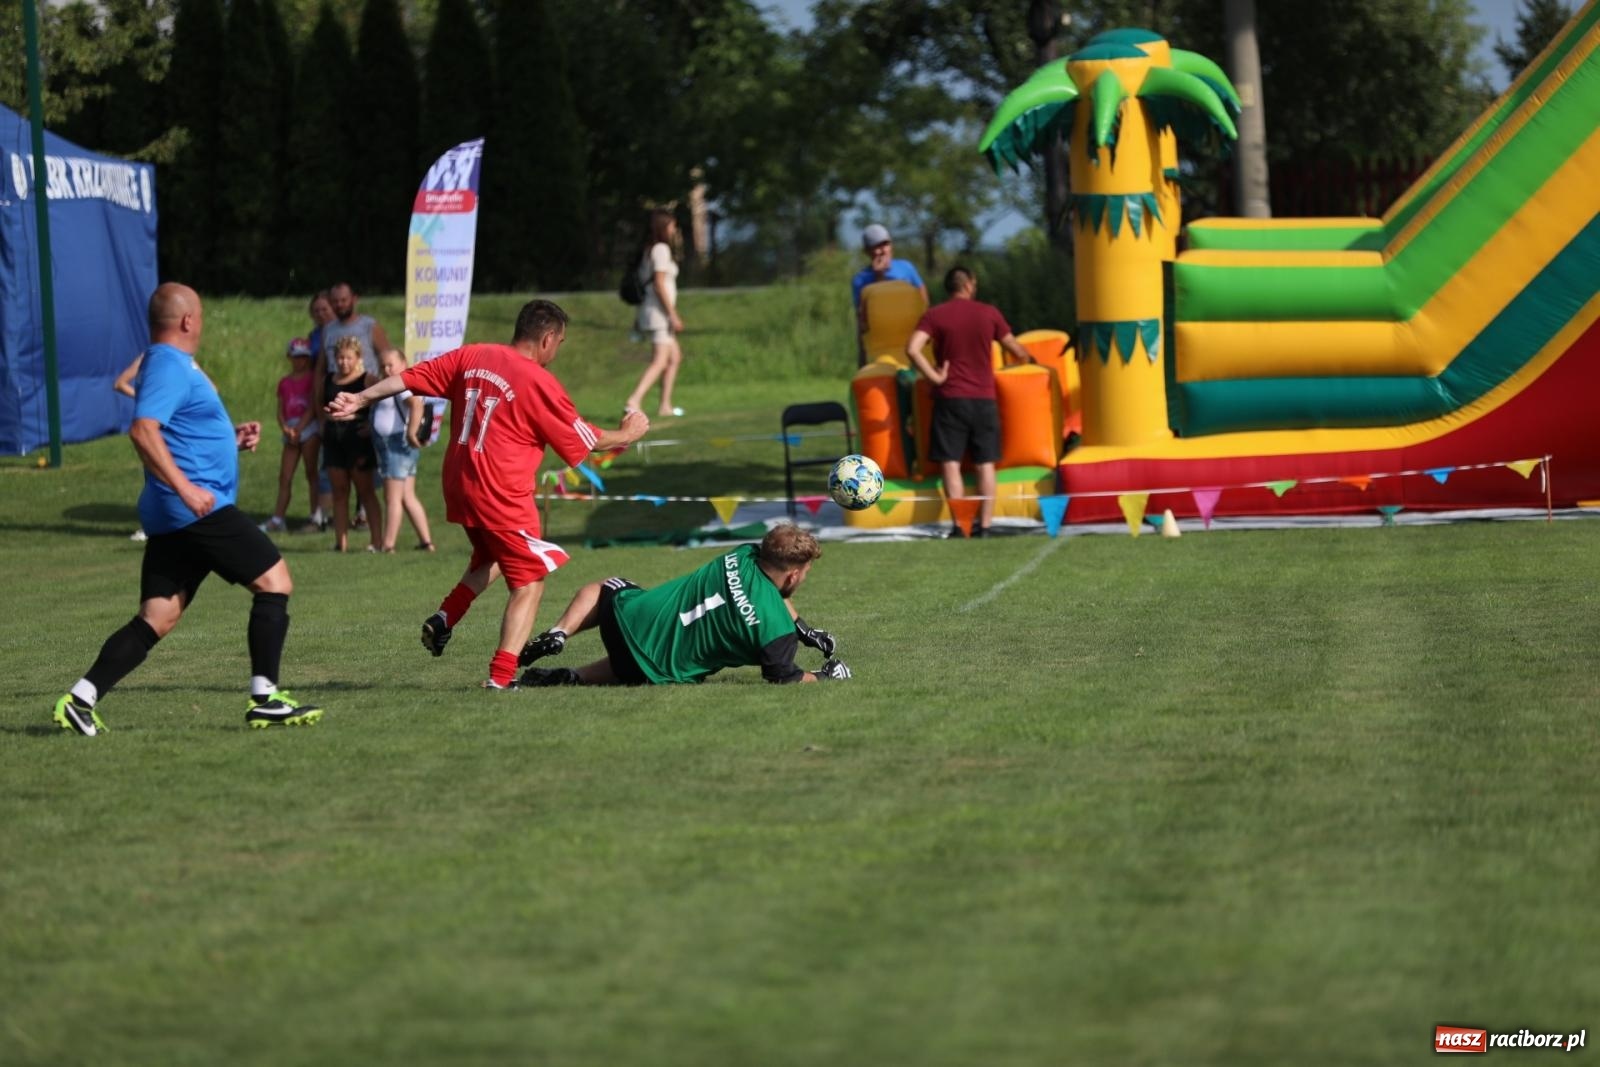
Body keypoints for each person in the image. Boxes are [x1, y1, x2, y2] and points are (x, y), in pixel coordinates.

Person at [327, 298, 650, 689]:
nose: (557, 351)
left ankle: (445, 617)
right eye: (560, 342)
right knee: (529, 582)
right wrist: (629, 433)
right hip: (500, 492)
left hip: (460, 485)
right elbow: (588, 439)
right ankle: (500, 678)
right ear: (547, 338)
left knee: (493, 557)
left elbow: (410, 377)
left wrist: (360, 398)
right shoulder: (539, 382)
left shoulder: (472, 355)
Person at [51, 282, 323, 736]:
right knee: (275, 581)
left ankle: (80, 699)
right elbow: (143, 430)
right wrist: (187, 489)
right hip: (196, 509)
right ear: (187, 320)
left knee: (157, 617)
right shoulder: (169, 364)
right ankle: (266, 699)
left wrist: (228, 440)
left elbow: (175, 430)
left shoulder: (166, 363)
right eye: (201, 316)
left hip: (177, 513)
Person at [518, 523, 852, 687]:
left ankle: (560, 635)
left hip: (626, 622)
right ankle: (575, 675)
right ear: (793, 575)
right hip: (659, 671)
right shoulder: (777, 631)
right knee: (648, 658)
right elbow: (783, 676)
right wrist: (824, 675)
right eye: (805, 572)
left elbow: (771, 589)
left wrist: (804, 628)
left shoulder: (744, 554)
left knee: (608, 588)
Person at [906, 265, 1035, 539]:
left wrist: (934, 377)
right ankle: (985, 526)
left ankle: (960, 525)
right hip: (983, 398)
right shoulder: (989, 313)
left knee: (950, 463)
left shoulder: (935, 315)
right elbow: (1015, 348)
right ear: (969, 285)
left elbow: (912, 349)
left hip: (950, 398)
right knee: (985, 464)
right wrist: (1025, 363)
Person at [322, 335, 384, 552]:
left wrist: (370, 423)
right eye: (340, 358)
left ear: (358, 358)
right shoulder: (328, 379)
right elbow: (320, 405)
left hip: (357, 439)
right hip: (333, 438)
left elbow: (385, 402)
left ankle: (377, 541)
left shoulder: (367, 379)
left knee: (365, 490)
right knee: (339, 491)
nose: (344, 362)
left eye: (348, 358)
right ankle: (341, 543)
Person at [623, 209, 687, 418]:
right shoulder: (661, 249)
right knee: (660, 360)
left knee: (674, 357)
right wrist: (673, 315)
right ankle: (634, 400)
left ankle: (665, 405)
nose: (674, 230)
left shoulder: (649, 249)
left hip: (652, 311)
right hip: (659, 314)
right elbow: (659, 284)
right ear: (664, 227)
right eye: (672, 226)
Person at [370, 347, 435, 553]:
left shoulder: (402, 385)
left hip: (396, 445)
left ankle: (388, 545)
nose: (386, 369)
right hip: (397, 445)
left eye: (391, 365)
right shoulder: (395, 384)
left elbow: (416, 405)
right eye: (383, 366)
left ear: (403, 363)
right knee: (407, 496)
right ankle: (426, 542)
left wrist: (411, 433)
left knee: (393, 498)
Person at [261, 338, 321, 533]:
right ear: (289, 357)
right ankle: (278, 519)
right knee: (285, 476)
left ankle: (316, 515)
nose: (300, 361)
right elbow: (280, 410)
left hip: (308, 428)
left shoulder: (312, 379)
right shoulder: (285, 382)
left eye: (304, 357)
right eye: (296, 357)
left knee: (311, 473)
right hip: (291, 428)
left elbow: (313, 406)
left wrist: (299, 429)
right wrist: (285, 428)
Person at [851, 223, 928, 363]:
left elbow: (923, 300)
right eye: (877, 246)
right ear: (867, 251)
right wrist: (879, 276)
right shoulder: (860, 280)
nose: (882, 250)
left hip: (909, 336)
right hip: (882, 344)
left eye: (885, 244)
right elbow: (863, 319)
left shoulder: (906, 268)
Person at [305, 290, 336, 531]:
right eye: (316, 311)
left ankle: (360, 513)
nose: (321, 314)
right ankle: (321, 515)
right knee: (324, 464)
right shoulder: (314, 336)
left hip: (342, 395)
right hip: (321, 397)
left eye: (325, 309)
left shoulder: (341, 330)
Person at [114, 353, 149, 542]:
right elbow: (119, 384)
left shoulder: (175, 358)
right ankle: (151, 525)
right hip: (155, 428)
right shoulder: (150, 357)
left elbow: (119, 384)